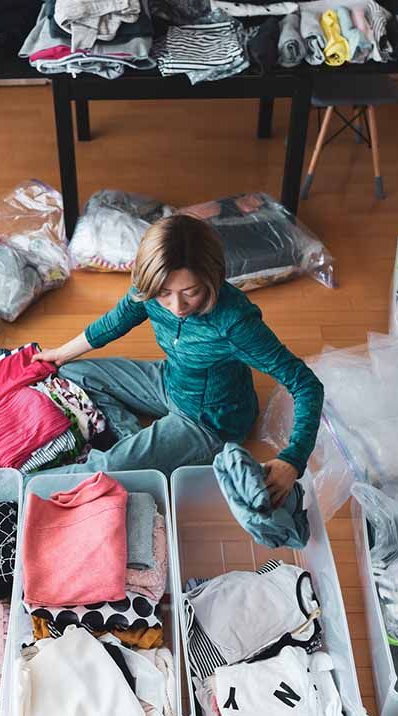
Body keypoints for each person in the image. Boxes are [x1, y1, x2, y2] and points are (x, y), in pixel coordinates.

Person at [34, 214, 323, 505]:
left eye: (191, 292)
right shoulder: (150, 289)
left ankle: (11, 488)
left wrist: (293, 459)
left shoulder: (235, 323)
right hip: (170, 379)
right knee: (72, 373)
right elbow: (117, 320)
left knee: (104, 470)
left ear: (211, 278)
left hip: (209, 421)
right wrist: (59, 354)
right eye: (165, 294)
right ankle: (133, 444)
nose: (176, 306)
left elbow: (306, 384)